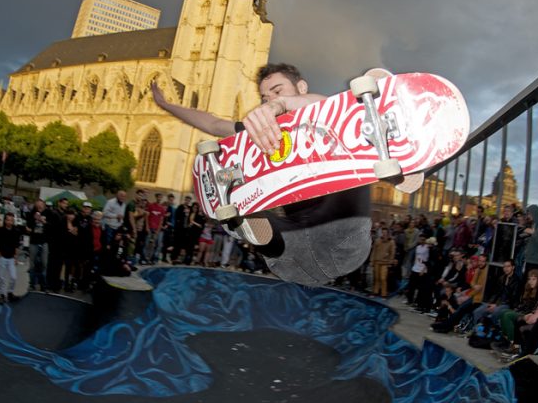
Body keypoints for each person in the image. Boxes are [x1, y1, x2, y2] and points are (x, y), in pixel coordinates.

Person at [151, 62, 372, 286]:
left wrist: (283, 104)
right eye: (264, 98)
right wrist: (166, 105)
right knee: (245, 187)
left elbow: (327, 105)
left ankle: (381, 122)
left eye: (277, 91)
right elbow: (214, 124)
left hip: (347, 236)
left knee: (348, 136)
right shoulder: (260, 133)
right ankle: (242, 217)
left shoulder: (325, 112)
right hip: (296, 253)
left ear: (301, 88)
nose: (269, 101)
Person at [0, 212, 21, 302]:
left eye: (11, 220)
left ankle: (10, 292)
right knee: (1, 277)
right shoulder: (0, 230)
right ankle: (1, 294)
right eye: (8, 220)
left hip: (11, 258)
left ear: (13, 221)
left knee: (13, 277)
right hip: (1, 256)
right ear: (5, 220)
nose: (9, 222)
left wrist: (16, 257)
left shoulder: (16, 231)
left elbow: (16, 246)